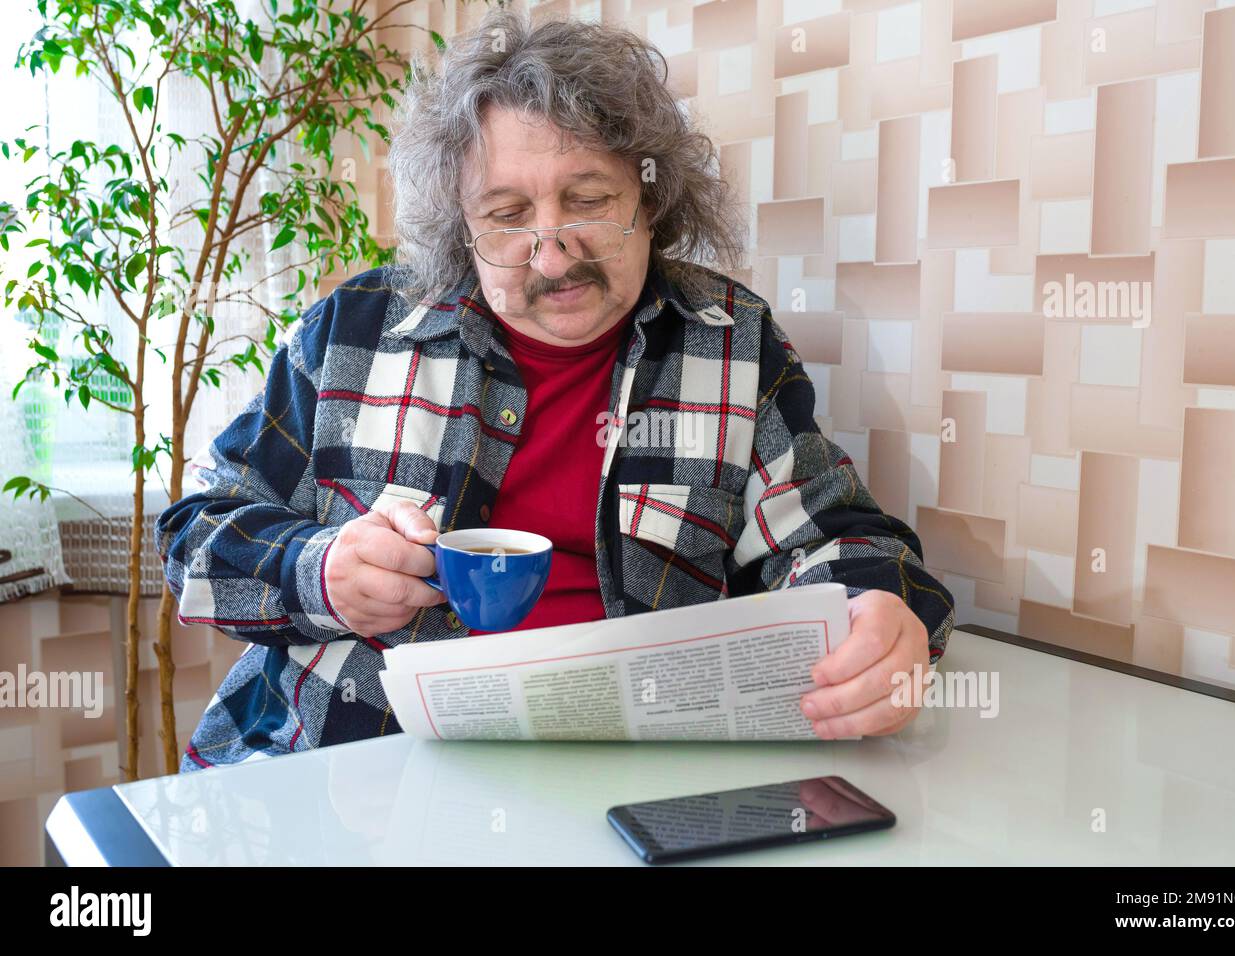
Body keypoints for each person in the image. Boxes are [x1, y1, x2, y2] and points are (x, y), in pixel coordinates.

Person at [156, 10, 955, 771]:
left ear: (652, 199)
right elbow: (194, 538)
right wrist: (319, 570)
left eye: (589, 201)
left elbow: (836, 538)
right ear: (461, 230)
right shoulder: (352, 333)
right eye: (507, 216)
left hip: (631, 782)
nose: (552, 255)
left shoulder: (730, 341)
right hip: (347, 773)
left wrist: (883, 611)